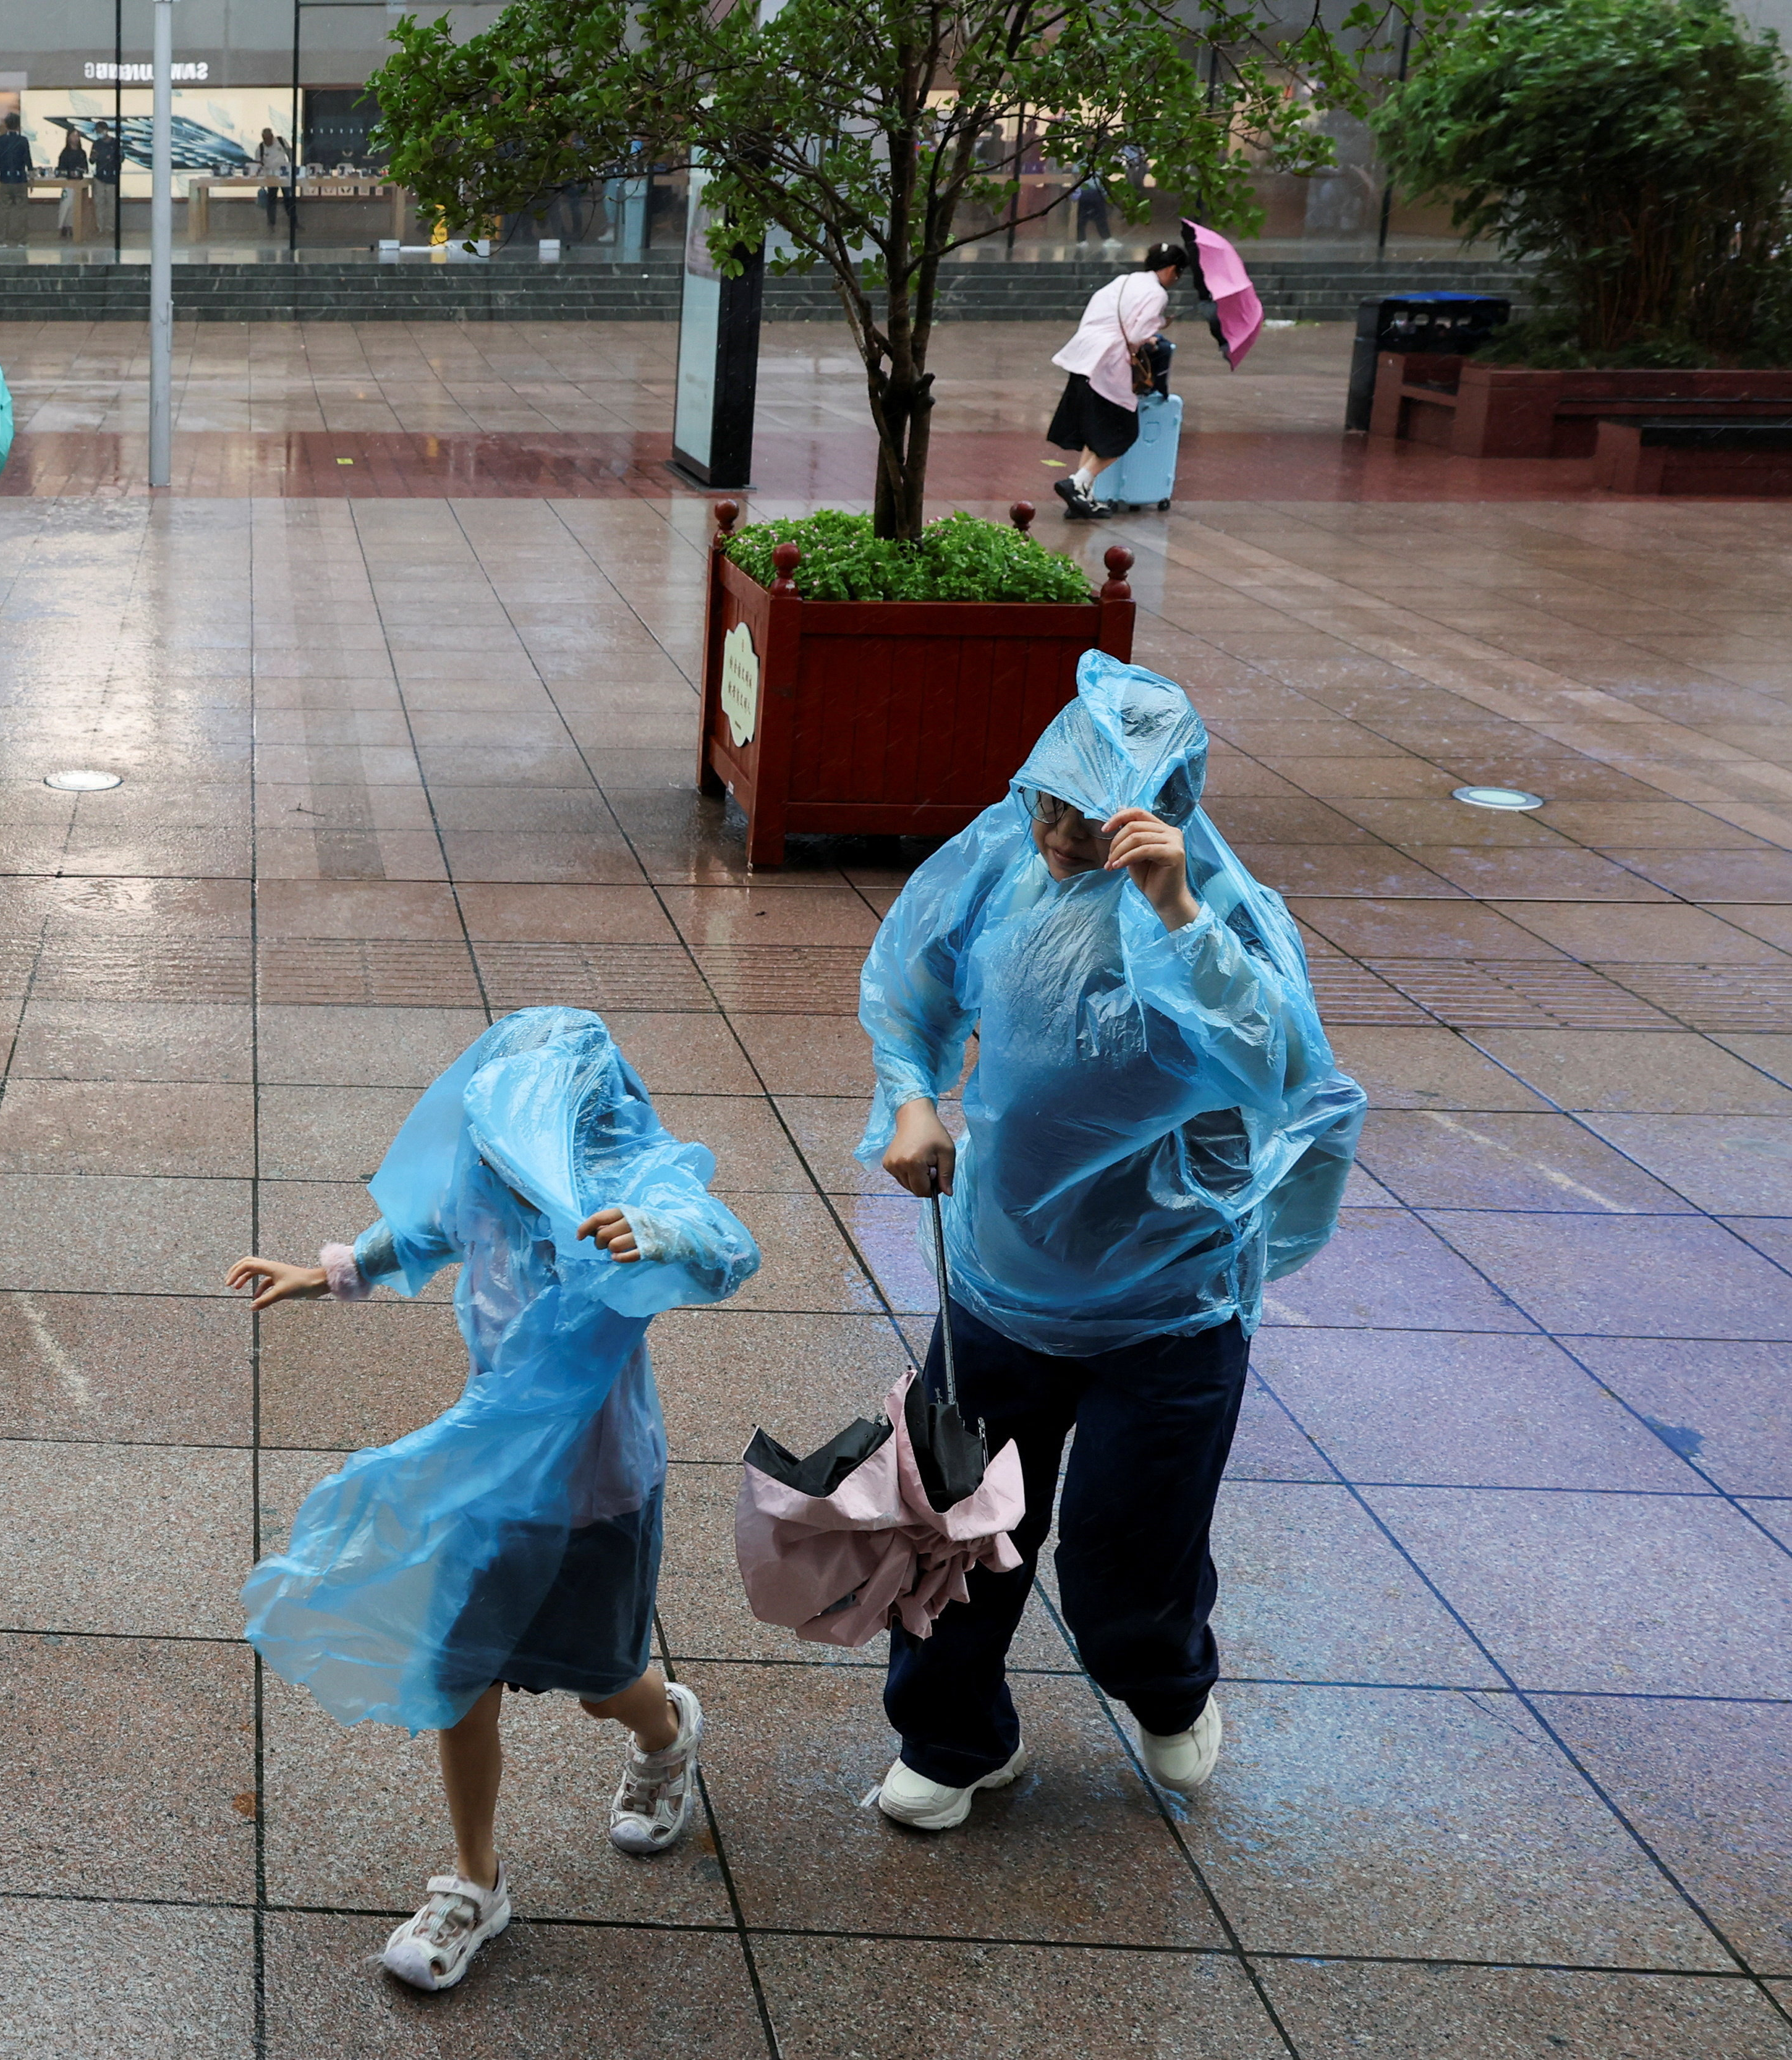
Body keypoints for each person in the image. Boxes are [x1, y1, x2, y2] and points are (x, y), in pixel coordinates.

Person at [857, 653, 1364, 1832]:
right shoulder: (1001, 861)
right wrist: (912, 1100)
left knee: (1130, 1548)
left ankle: (1167, 1684)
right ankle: (951, 1736)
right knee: (956, 1525)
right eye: (1044, 800)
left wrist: (1178, 916)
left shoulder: (1220, 909)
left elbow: (1289, 1068)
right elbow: (910, 989)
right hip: (1003, 1277)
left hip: (1168, 1302)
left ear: (1158, 811)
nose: (1053, 832)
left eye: (1085, 817)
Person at [230, 1009, 758, 1993]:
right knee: (459, 1675)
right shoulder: (483, 1176)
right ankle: (475, 1880)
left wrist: (660, 1232)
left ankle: (664, 1730)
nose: (500, 1158)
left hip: (600, 1488)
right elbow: (428, 1228)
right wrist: (330, 1271)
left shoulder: (621, 1181)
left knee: (601, 1680)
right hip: (492, 1483)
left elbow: (727, 1246)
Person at [1045, 242, 1183, 519]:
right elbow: (1136, 336)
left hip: (1084, 356)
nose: (1177, 279)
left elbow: (1096, 312)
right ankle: (1077, 483)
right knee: (1123, 433)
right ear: (1171, 269)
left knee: (1094, 430)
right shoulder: (1157, 294)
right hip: (1109, 365)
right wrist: (1157, 327)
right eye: (1179, 273)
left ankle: (1083, 496)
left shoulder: (1123, 281)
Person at [0, 111, 35, 245]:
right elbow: (28, 160)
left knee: (4, 210)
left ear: (6, 125)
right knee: (21, 211)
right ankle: (21, 240)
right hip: (20, 179)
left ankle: (3, 239)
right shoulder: (23, 141)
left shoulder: (0, 140)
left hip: (5, 179)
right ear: (18, 126)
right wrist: (31, 178)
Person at [255, 126, 297, 236]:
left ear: (272, 137)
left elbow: (290, 154)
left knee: (289, 199)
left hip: (284, 175)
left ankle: (294, 222)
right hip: (270, 176)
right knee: (272, 200)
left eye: (269, 139)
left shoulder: (281, 141)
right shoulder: (261, 148)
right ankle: (271, 223)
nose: (267, 142)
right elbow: (258, 164)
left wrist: (292, 166)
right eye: (265, 139)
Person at [54, 125, 91, 239]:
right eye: (73, 135)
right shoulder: (65, 153)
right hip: (68, 183)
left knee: (76, 207)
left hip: (79, 184)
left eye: (77, 136)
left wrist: (80, 171)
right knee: (66, 205)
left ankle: (72, 227)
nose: (76, 138)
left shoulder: (82, 153)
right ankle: (62, 227)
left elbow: (85, 168)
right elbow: (61, 169)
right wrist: (69, 173)